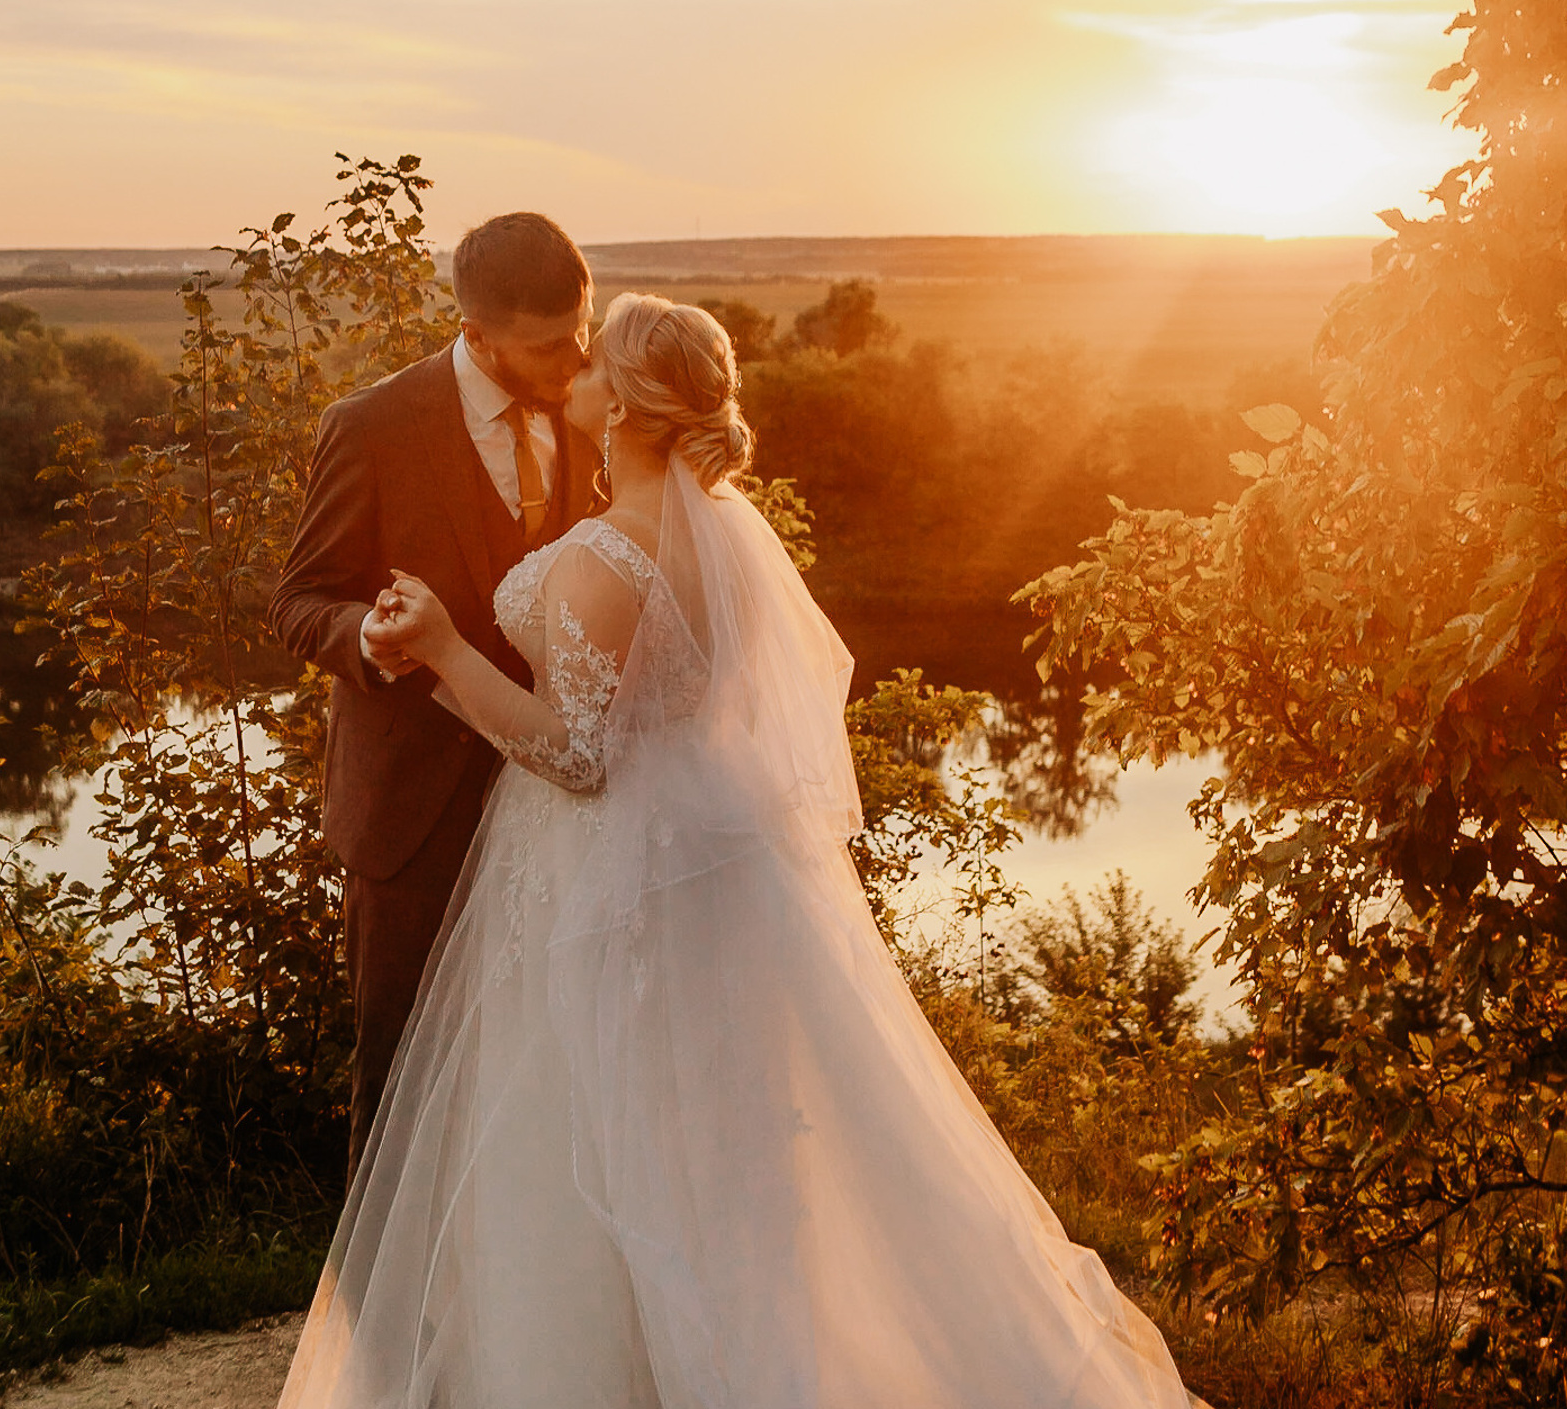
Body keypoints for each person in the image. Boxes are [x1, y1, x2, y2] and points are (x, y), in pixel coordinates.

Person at [278, 293, 1203, 1409]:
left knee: (592, 1134)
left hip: (601, 869)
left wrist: (435, 650)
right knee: (706, 1141)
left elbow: (571, 754)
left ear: (619, 402)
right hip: (701, 868)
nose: (570, 370)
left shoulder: (613, 555)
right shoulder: (723, 538)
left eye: (590, 361)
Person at [268, 212, 603, 1178]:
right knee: (403, 1087)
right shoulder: (371, 427)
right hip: (407, 817)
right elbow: (298, 600)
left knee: (541, 1081)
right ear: (478, 333)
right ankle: (377, 1324)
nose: (576, 357)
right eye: (550, 344)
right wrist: (365, 643)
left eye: (583, 328)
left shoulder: (590, 412)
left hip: (552, 810)